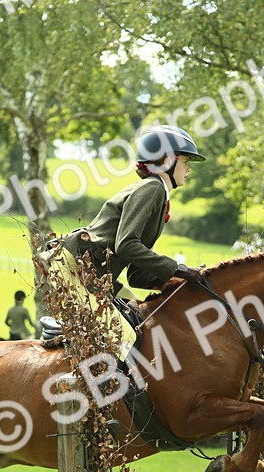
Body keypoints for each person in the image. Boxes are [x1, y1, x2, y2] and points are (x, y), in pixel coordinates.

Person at [39, 125, 205, 352]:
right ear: (167, 161)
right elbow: (126, 245)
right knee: (127, 338)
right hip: (76, 268)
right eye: (186, 161)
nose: (188, 169)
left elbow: (137, 275)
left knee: (144, 320)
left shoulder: (156, 193)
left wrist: (175, 281)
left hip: (97, 275)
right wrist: (180, 268)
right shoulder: (152, 190)